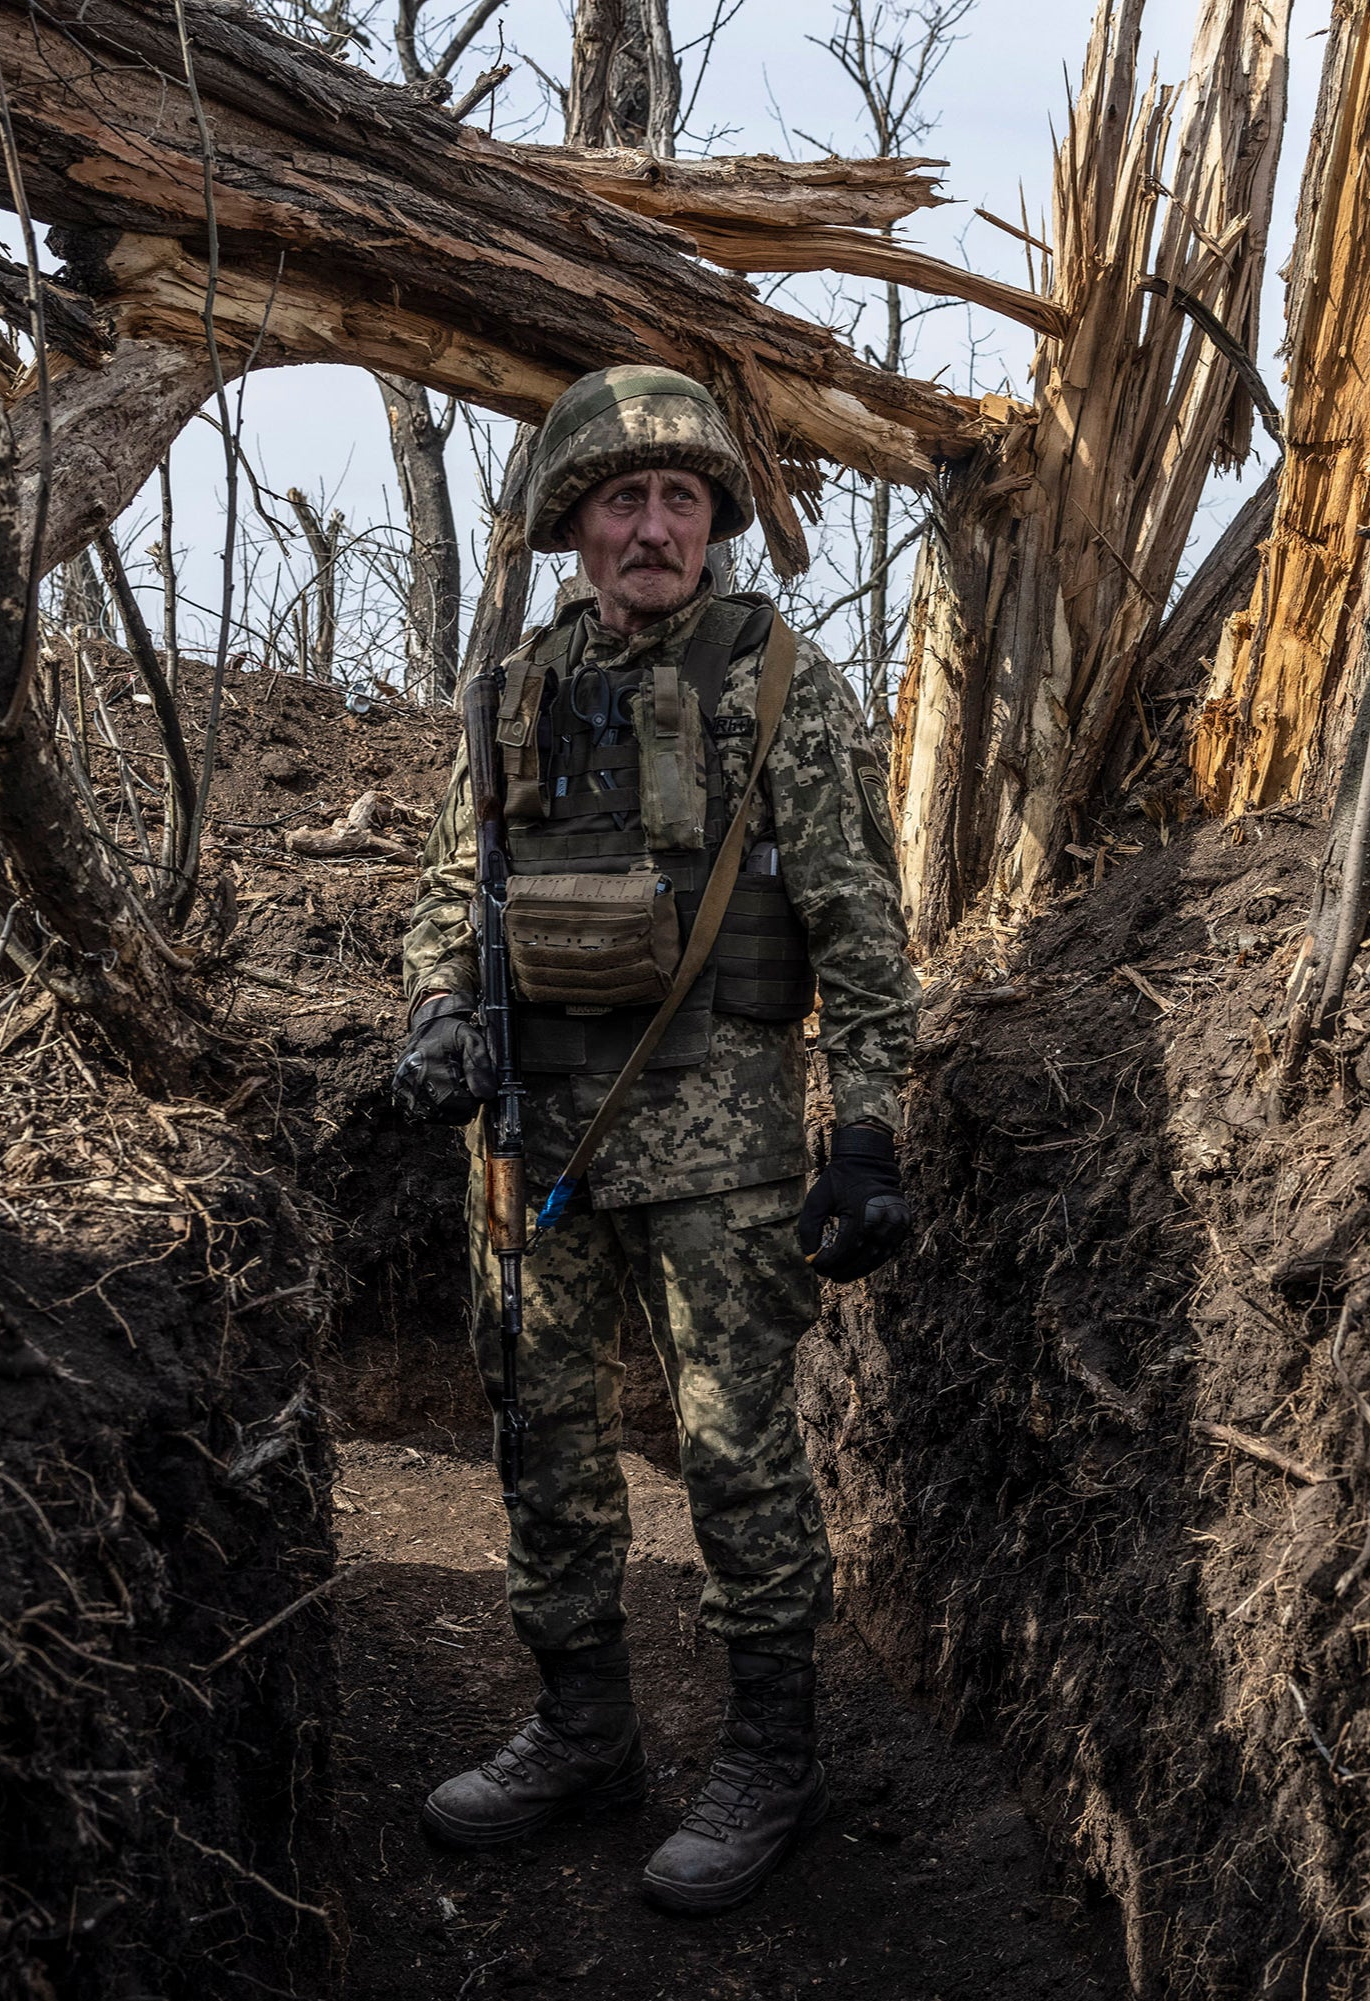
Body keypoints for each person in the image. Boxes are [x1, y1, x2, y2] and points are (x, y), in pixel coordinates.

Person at [391, 364, 919, 1914]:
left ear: (713, 524)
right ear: (574, 523)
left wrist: (866, 1131)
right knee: (544, 1456)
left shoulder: (775, 683)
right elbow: (448, 894)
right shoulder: (510, 691)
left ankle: (767, 1756)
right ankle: (583, 1729)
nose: (652, 525)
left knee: (737, 1460)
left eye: (679, 498)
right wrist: (432, 1017)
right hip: (532, 1148)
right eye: (623, 498)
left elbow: (859, 923)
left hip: (725, 1154)